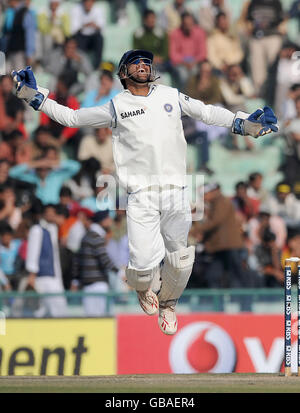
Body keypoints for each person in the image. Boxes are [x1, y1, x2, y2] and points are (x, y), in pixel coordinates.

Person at [11, 49, 278, 335]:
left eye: (147, 62)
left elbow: (208, 112)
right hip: (141, 195)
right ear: (124, 73)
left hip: (176, 190)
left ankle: (168, 304)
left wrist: (244, 123)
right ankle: (142, 289)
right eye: (136, 62)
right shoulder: (117, 105)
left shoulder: (170, 95)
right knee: (140, 269)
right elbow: (72, 117)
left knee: (182, 258)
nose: (143, 65)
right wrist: (33, 95)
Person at [71, 210, 118, 317]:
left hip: (88, 285)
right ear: (102, 221)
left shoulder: (86, 236)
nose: (110, 221)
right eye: (108, 218)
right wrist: (120, 273)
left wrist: (76, 280)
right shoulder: (96, 237)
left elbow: (77, 261)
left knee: (91, 318)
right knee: (102, 318)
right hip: (98, 285)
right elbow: (105, 260)